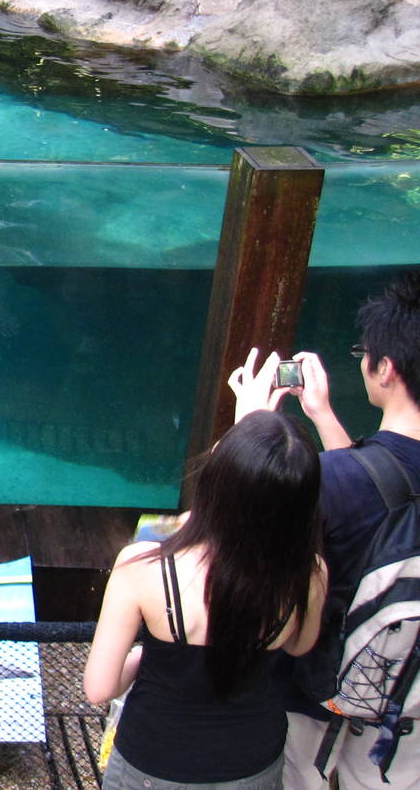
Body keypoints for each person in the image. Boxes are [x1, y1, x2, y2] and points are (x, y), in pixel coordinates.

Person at [229, 270, 420, 789]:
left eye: (365, 354)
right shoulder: (346, 477)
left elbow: (236, 536)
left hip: (322, 695)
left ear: (386, 368)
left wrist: (252, 430)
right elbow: (384, 490)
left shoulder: (330, 483)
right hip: (409, 703)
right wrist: (322, 415)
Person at [85, 410, 327, 789]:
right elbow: (300, 645)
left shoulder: (142, 566)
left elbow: (99, 687)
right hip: (252, 764)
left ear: (216, 484)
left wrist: (146, 654)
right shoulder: (309, 572)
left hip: (153, 762)